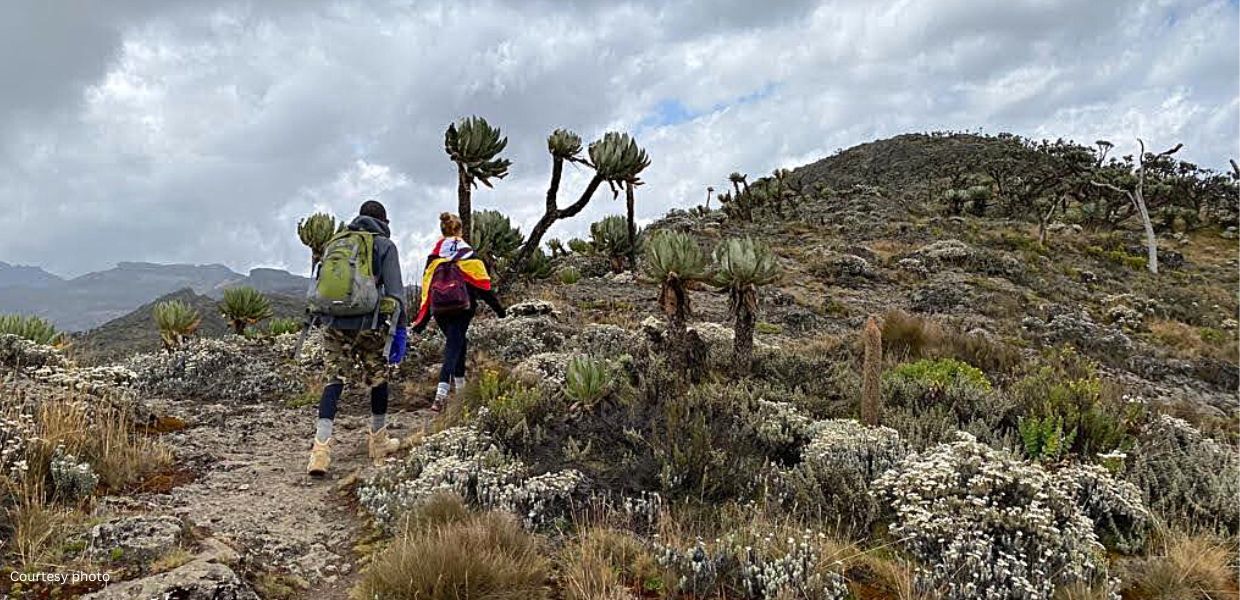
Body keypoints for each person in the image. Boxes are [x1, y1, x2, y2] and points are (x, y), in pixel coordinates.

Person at [307, 200, 406, 477]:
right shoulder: (384, 245)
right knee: (378, 378)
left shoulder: (335, 242)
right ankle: (378, 442)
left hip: (333, 323)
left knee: (334, 380)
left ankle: (320, 451)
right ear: (384, 221)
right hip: (369, 324)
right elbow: (396, 294)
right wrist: (400, 331)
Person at [412, 212, 505, 412]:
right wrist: (500, 311)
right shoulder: (469, 255)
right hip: (463, 307)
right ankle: (441, 395)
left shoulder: (434, 257)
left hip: (440, 309)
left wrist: (422, 320)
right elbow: (483, 288)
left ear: (443, 230)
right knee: (453, 346)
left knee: (459, 342)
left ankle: (461, 393)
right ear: (460, 231)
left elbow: (428, 287)